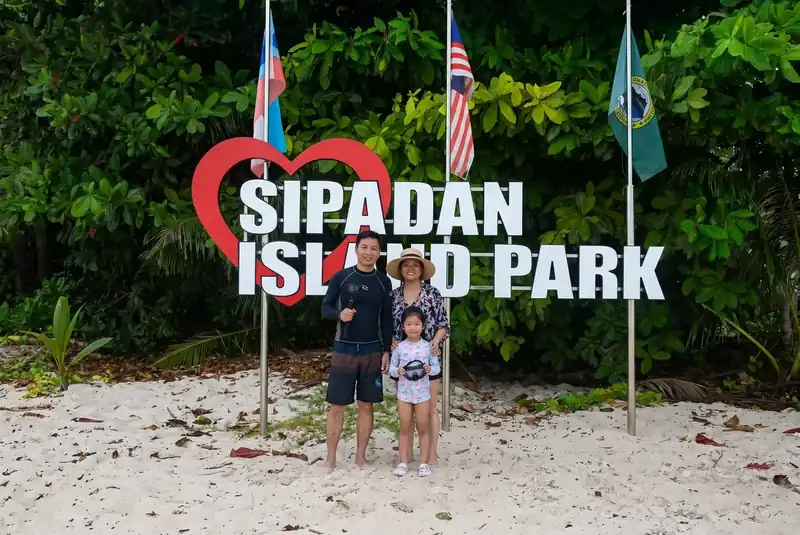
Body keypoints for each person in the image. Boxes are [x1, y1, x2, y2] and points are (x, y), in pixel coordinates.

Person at [320, 230, 393, 471]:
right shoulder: (341, 277)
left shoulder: (383, 281)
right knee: (337, 405)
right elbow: (325, 308)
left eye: (374, 248)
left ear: (379, 253)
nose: (369, 252)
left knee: (366, 404)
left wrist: (386, 350)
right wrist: (339, 315)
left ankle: (360, 456)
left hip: (372, 349)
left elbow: (386, 319)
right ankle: (331, 457)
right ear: (356, 249)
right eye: (365, 247)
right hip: (345, 347)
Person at [386, 248, 449, 466]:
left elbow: (444, 325)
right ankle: (407, 454)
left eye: (415, 265)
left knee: (429, 407)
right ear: (400, 269)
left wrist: (435, 342)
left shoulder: (433, 294)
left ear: (422, 269)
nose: (410, 268)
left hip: (427, 358)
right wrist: (390, 341)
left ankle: (430, 453)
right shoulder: (393, 296)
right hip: (402, 359)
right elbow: (387, 325)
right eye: (406, 265)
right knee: (405, 408)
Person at [388, 306, 440, 477]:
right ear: (403, 327)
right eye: (408, 324)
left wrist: (429, 369)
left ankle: (424, 463)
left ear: (423, 326)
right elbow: (391, 369)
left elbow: (437, 368)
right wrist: (398, 371)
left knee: (423, 428)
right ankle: (403, 461)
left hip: (423, 394)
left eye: (417, 323)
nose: (412, 327)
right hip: (404, 394)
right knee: (404, 426)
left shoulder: (428, 347)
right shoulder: (399, 348)